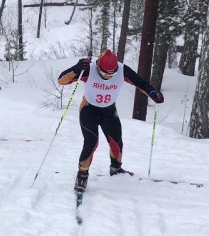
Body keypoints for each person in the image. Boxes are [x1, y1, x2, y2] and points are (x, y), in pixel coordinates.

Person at [58, 49, 164, 191]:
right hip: (88, 109)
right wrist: (76, 69)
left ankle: (116, 168)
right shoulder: (89, 69)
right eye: (105, 73)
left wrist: (152, 92)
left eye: (111, 73)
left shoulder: (121, 70)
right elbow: (61, 80)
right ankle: (82, 175)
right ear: (98, 67)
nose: (108, 76)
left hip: (108, 111)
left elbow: (140, 82)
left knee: (116, 141)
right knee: (91, 142)